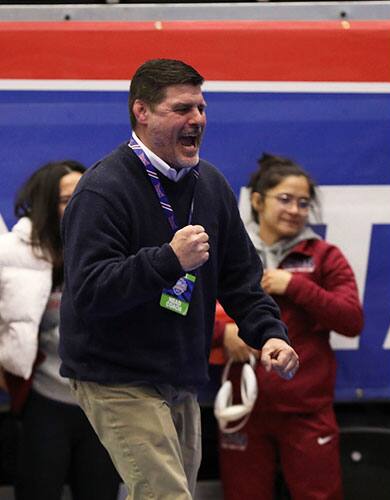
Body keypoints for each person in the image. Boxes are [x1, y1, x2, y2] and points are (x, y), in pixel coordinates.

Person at [59, 59, 299, 500]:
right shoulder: (103, 189)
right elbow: (91, 290)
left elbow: (242, 278)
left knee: (168, 492)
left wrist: (269, 334)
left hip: (178, 376)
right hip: (117, 376)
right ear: (142, 112)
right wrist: (168, 261)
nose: (198, 120)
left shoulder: (210, 185)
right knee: (166, 496)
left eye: (202, 109)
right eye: (182, 109)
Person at [215, 153, 363, 500]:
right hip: (241, 408)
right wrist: (223, 331)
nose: (295, 210)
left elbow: (351, 319)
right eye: (284, 199)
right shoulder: (227, 252)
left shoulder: (325, 256)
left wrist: (296, 287)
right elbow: (182, 305)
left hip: (306, 409)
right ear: (256, 200)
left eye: (303, 203)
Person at [0, 160, 121, 500]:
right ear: (45, 205)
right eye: (69, 198)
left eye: (88, 195)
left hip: (105, 403)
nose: (82, 205)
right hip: (44, 400)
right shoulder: (13, 255)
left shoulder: (115, 247)